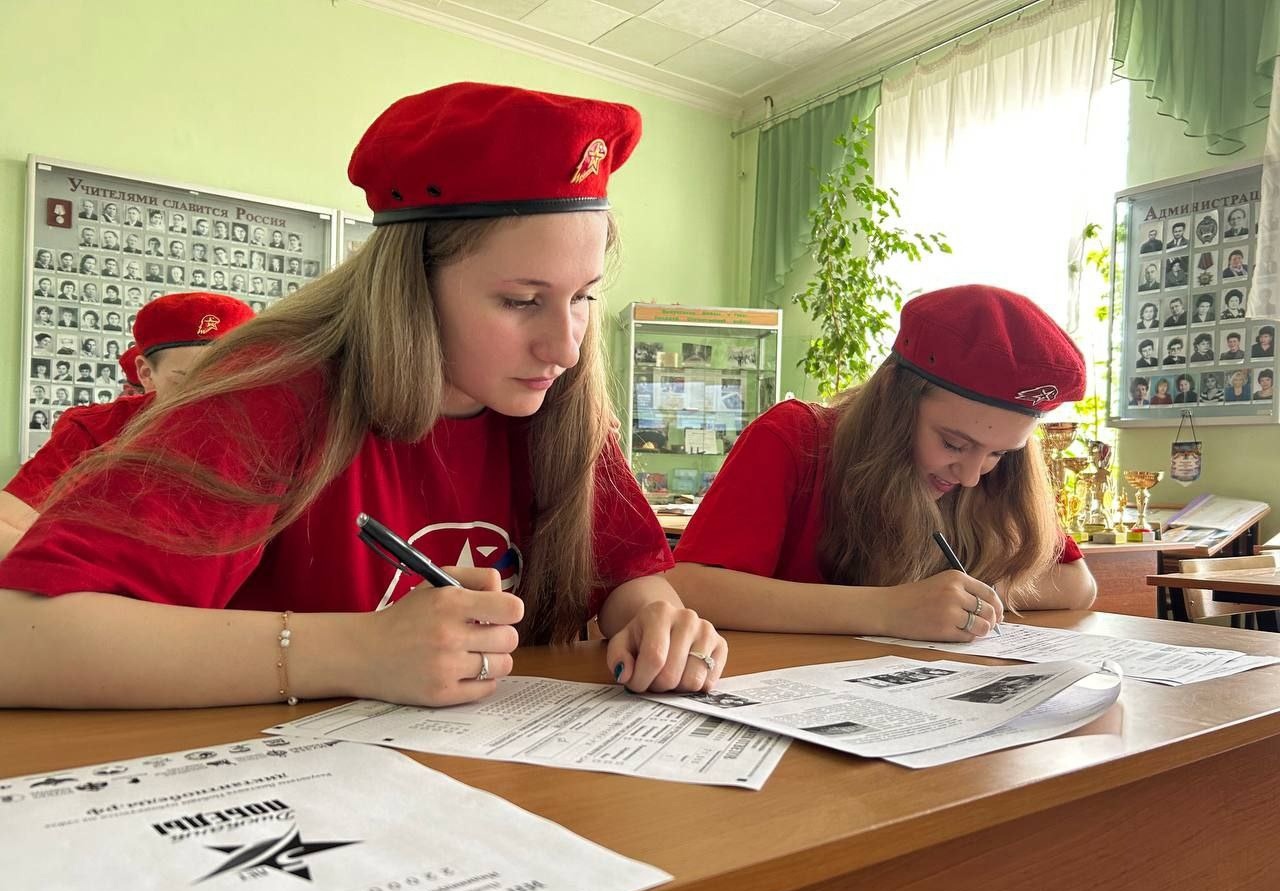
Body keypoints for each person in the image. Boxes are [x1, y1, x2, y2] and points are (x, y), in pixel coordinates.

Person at [0, 81, 723, 710]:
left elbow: (634, 575)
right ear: (410, 286)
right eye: (520, 301)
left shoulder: (562, 409)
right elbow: (20, 637)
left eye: (584, 297)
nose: (565, 348)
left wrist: (658, 621)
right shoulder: (277, 391)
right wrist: (356, 651)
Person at [666, 285, 1096, 643]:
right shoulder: (795, 439)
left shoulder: (992, 477)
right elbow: (690, 587)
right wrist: (891, 607)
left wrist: (960, 599)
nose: (969, 476)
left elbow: (1078, 584)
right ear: (892, 402)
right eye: (952, 443)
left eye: (1000, 453)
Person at [0, 294, 254, 560]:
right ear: (146, 374)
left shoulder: (273, 430)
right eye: (186, 383)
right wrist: (94, 564)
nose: (209, 399)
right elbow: (7, 522)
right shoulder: (98, 430)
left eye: (230, 381)